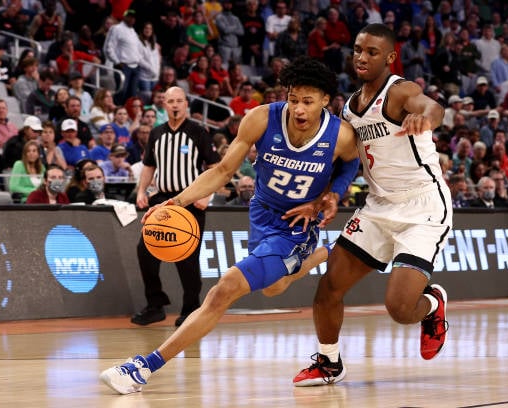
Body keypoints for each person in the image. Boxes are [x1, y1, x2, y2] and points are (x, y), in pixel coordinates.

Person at [100, 57, 359, 394]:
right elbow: (222, 171)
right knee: (273, 288)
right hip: (262, 212)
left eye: (308, 102)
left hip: (295, 226)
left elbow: (351, 165)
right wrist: (177, 200)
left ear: (326, 101)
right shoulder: (262, 118)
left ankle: (143, 368)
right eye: (293, 99)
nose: (298, 109)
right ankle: (325, 252)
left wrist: (332, 196)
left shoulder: (340, 134)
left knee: (224, 289)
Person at [292, 24, 451, 387]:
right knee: (329, 287)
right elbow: (345, 160)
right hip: (377, 207)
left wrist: (424, 116)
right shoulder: (348, 109)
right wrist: (327, 194)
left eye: (372, 52)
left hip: (422, 207)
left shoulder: (400, 91)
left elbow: (432, 105)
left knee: (399, 309)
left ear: (390, 57)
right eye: (358, 49)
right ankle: (329, 362)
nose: (362, 57)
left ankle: (434, 303)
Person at [128, 86, 221, 329]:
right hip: (162, 201)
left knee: (187, 258)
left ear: (186, 104)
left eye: (179, 100)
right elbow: (148, 166)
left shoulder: (198, 131)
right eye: (170, 101)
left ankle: (191, 309)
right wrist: (141, 191)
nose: (175, 105)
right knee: (145, 250)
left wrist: (207, 195)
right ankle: (155, 305)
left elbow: (215, 168)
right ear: (164, 105)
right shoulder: (156, 133)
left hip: (190, 201)